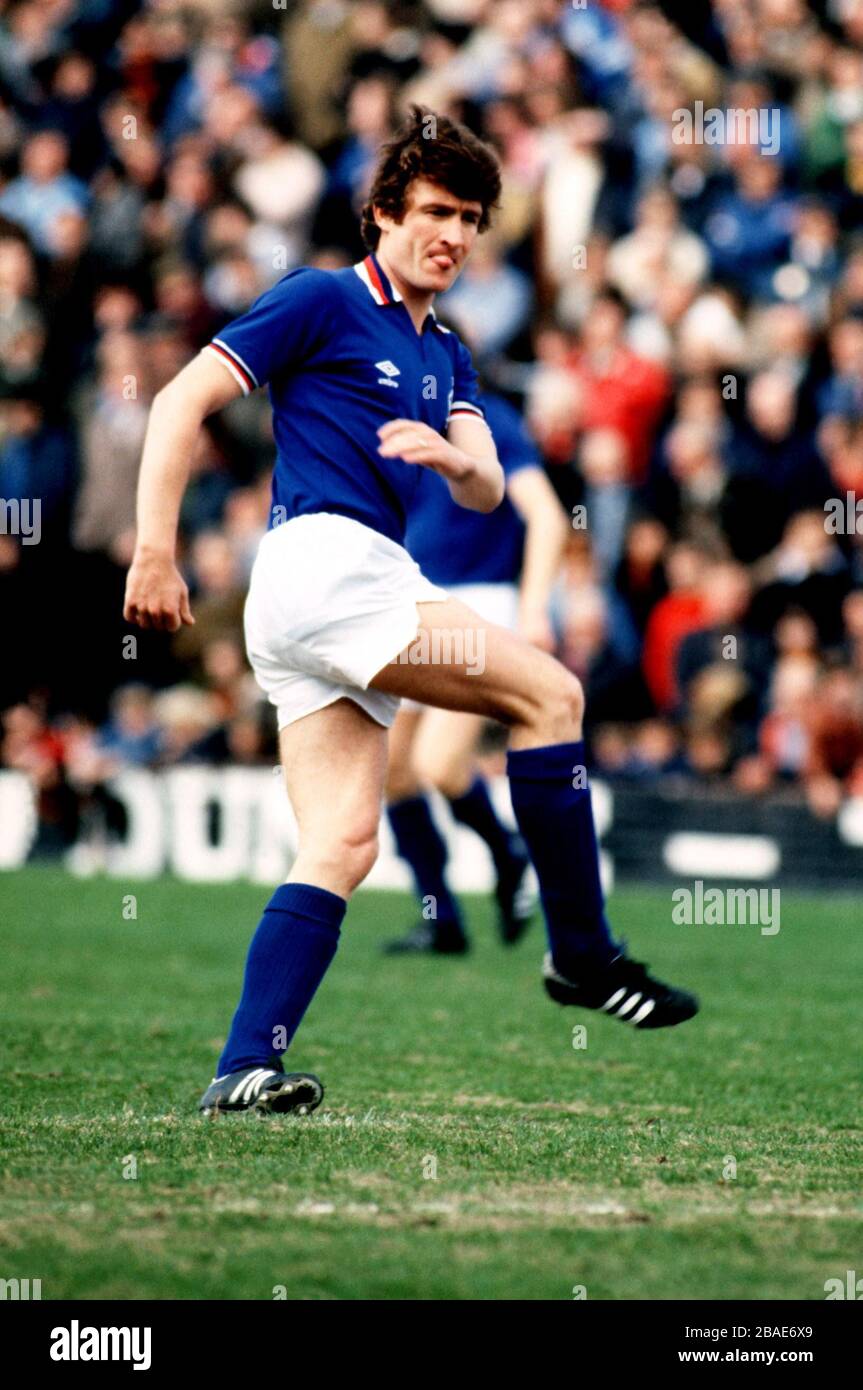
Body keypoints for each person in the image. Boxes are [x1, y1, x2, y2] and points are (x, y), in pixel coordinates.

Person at [123, 106, 698, 1119]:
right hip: (328, 568)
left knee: (343, 842)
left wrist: (454, 459)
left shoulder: (450, 352)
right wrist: (156, 548)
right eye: (434, 209)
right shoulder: (320, 299)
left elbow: (482, 488)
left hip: (317, 599)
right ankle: (581, 956)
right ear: (383, 213)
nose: (454, 232)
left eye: (471, 217)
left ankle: (242, 1066)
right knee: (551, 694)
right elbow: (177, 401)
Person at [383, 386, 569, 955]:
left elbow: (547, 516)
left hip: (479, 604)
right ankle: (441, 918)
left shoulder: (489, 422)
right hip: (412, 599)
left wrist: (534, 605)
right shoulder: (395, 415)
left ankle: (507, 853)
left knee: (438, 765)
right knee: (392, 770)